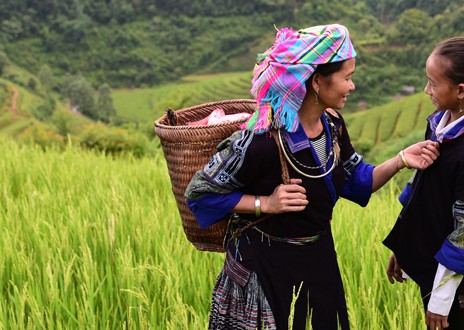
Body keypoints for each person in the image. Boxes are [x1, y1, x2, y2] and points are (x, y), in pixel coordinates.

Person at [184, 24, 441, 330]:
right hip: (264, 267)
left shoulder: (332, 126)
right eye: (347, 77)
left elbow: (356, 180)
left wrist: (401, 160)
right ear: (317, 81)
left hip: (317, 260)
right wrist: (265, 203)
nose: (352, 86)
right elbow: (199, 193)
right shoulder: (263, 138)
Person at [382, 36, 464, 330]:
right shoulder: (439, 124)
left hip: (456, 280)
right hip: (432, 262)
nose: (426, 90)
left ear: (460, 90)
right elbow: (423, 191)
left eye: (432, 83)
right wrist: (402, 249)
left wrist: (440, 302)